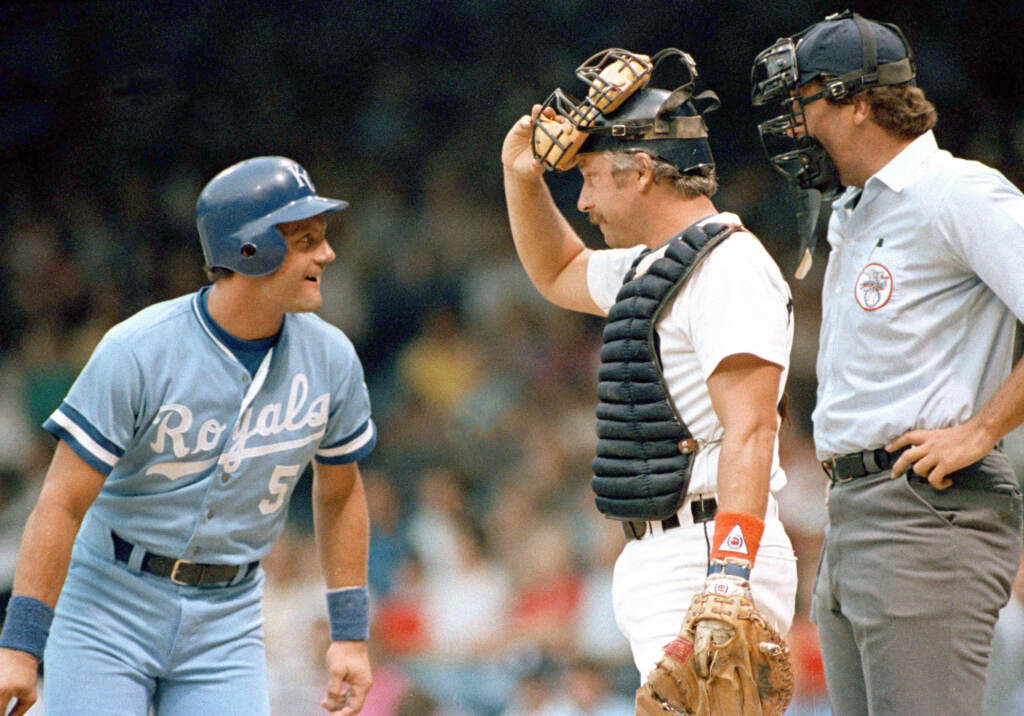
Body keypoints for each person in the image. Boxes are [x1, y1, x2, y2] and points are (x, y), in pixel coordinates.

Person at [0, 156, 377, 716]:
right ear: (250, 249)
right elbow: (59, 505)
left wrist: (350, 634)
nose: (327, 254)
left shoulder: (331, 358)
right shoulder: (139, 349)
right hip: (109, 604)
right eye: (306, 240)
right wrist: (20, 646)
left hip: (227, 620)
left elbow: (341, 491)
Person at [751, 11, 1024, 715]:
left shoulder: (954, 192)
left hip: (924, 514)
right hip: (856, 513)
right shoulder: (856, 209)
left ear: (860, 104)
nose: (792, 126)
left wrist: (983, 428)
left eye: (803, 102)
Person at [501, 46, 798, 689]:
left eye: (589, 177)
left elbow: (751, 430)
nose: (580, 201)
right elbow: (555, 272)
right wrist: (520, 176)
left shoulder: (730, 266)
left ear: (639, 170)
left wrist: (728, 579)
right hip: (664, 551)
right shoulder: (654, 264)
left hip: (712, 548)